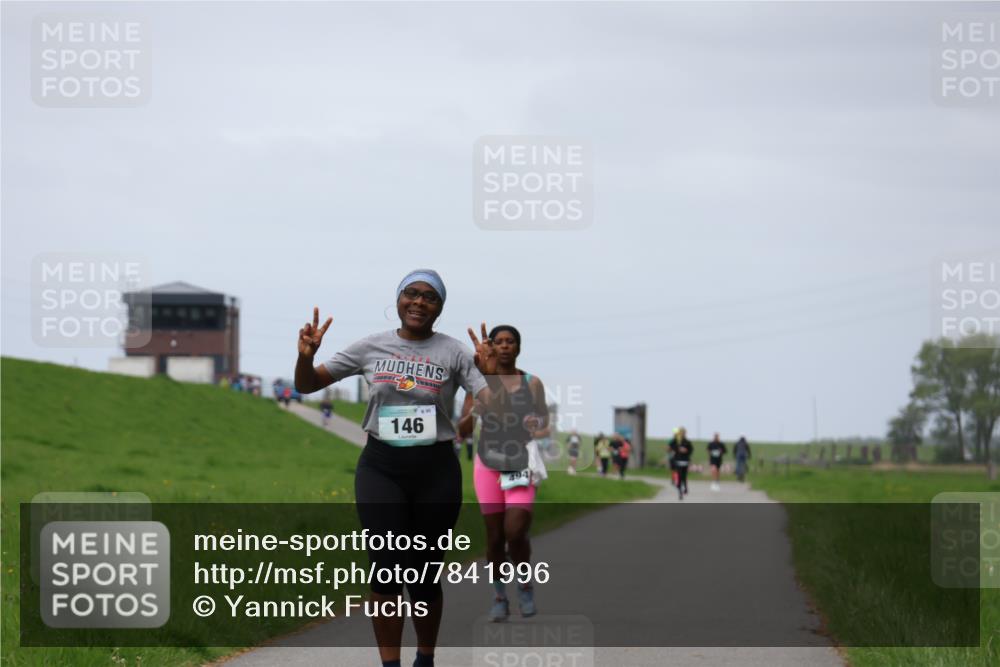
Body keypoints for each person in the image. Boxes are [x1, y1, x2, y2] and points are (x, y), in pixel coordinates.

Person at [293, 269, 500, 667]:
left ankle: (425, 658)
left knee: (423, 577)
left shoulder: (455, 352)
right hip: (382, 467)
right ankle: (390, 664)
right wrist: (306, 356)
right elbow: (307, 385)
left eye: (430, 297)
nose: (419, 302)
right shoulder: (372, 346)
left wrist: (490, 374)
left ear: (440, 307)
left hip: (436, 471)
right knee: (385, 569)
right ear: (399, 299)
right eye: (411, 294)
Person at [458, 325, 549, 622]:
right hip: (487, 463)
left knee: (515, 531)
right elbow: (464, 429)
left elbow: (545, 424)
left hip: (520, 461)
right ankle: (499, 596)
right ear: (492, 347)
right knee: (495, 537)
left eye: (511, 342)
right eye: (499, 342)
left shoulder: (532, 383)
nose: (505, 346)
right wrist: (475, 411)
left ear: (519, 348)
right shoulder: (478, 381)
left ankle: (524, 584)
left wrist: (535, 425)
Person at [669, 427, 693, 500]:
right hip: (678, 460)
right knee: (679, 475)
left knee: (684, 475)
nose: (682, 434)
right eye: (681, 433)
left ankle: (685, 487)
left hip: (685, 460)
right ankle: (680, 492)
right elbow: (670, 447)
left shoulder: (687, 442)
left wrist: (686, 450)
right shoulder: (676, 441)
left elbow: (691, 450)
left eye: (683, 433)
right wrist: (677, 449)